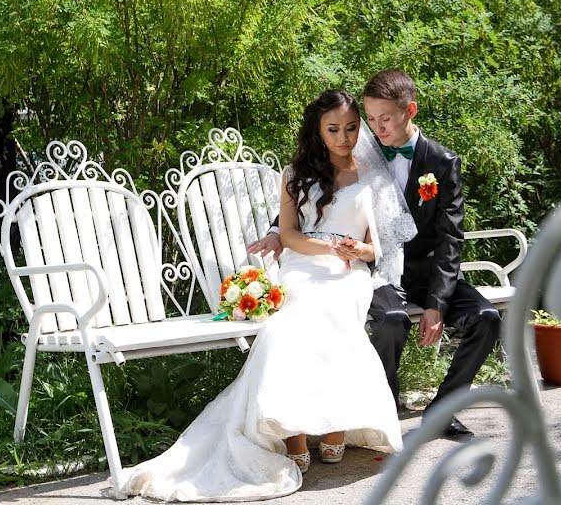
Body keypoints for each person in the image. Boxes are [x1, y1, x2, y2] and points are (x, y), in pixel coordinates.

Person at [117, 89, 413, 502]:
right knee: (286, 327)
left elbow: (376, 246)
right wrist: (327, 247)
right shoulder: (295, 173)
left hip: (348, 275)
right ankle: (289, 430)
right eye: (333, 129)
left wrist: (357, 252)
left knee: (335, 316)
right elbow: (289, 235)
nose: (343, 137)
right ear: (317, 130)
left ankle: (334, 427)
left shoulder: (370, 173)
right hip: (303, 265)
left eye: (350, 128)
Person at [248, 70, 500, 437]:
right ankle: (386, 412)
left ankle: (444, 409)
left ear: (409, 110)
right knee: (390, 321)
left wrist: (437, 303)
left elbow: (450, 237)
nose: (376, 128)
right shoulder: (360, 150)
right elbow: (318, 191)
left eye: (385, 119)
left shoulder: (442, 162)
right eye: (371, 119)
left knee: (487, 317)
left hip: (429, 270)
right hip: (380, 268)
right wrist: (276, 231)